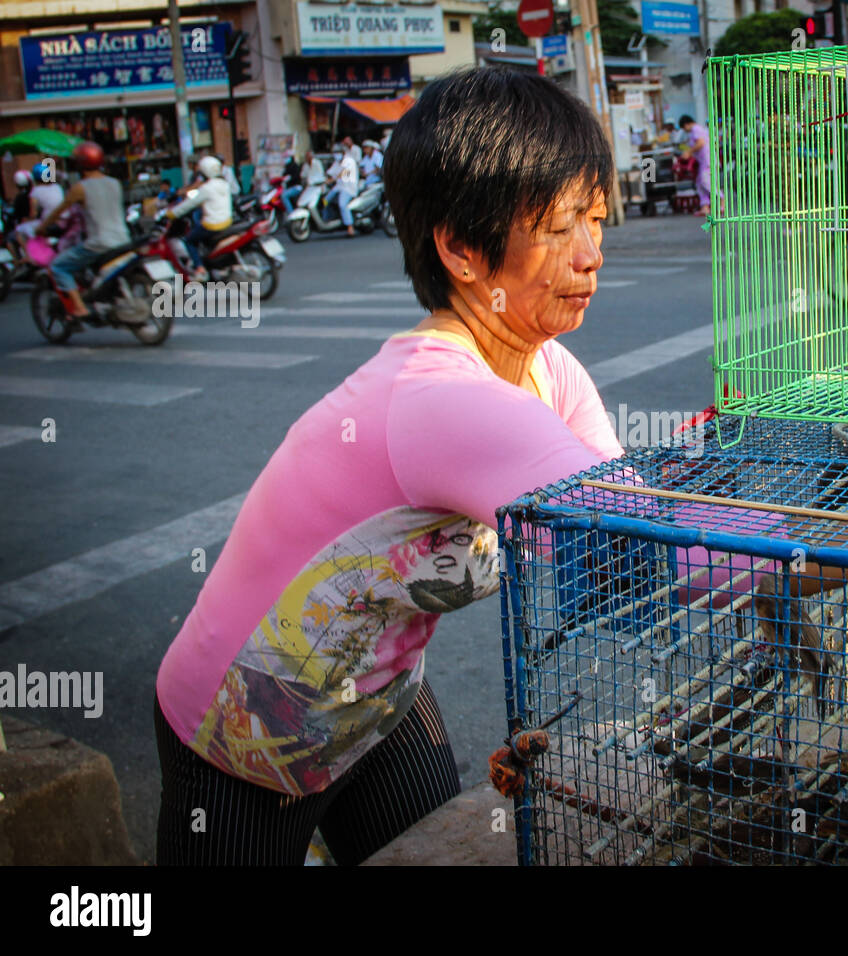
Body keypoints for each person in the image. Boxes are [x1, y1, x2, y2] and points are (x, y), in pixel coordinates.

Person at [152, 66, 627, 865]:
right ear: (460, 249)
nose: (591, 256)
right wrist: (800, 553)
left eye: (599, 218)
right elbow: (630, 551)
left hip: (379, 705)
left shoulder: (547, 369)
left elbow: (628, 509)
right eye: (559, 226)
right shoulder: (445, 400)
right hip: (243, 727)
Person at [35, 141, 132, 322]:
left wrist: (41, 228)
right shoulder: (115, 183)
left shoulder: (79, 188)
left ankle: (79, 308)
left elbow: (58, 212)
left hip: (98, 243)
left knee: (58, 266)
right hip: (123, 240)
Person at [164, 154, 234, 281]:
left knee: (189, 240)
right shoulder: (223, 183)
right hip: (227, 220)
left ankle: (199, 268)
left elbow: (188, 204)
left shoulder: (206, 188)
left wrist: (171, 213)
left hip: (212, 224)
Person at [678, 114, 710, 217]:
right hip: (702, 161)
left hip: (706, 160)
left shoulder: (696, 129)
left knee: (706, 182)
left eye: (684, 128)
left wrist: (689, 152)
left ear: (686, 124)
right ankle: (705, 207)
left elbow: (700, 143)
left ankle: (722, 201)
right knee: (700, 183)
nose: (685, 130)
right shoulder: (695, 130)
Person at [325, 147, 360, 236]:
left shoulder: (349, 161)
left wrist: (333, 179)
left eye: (338, 152)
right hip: (339, 187)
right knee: (325, 200)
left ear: (343, 152)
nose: (336, 154)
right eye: (335, 152)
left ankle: (350, 227)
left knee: (342, 204)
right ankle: (328, 221)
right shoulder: (336, 163)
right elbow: (329, 173)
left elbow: (344, 173)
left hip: (348, 188)